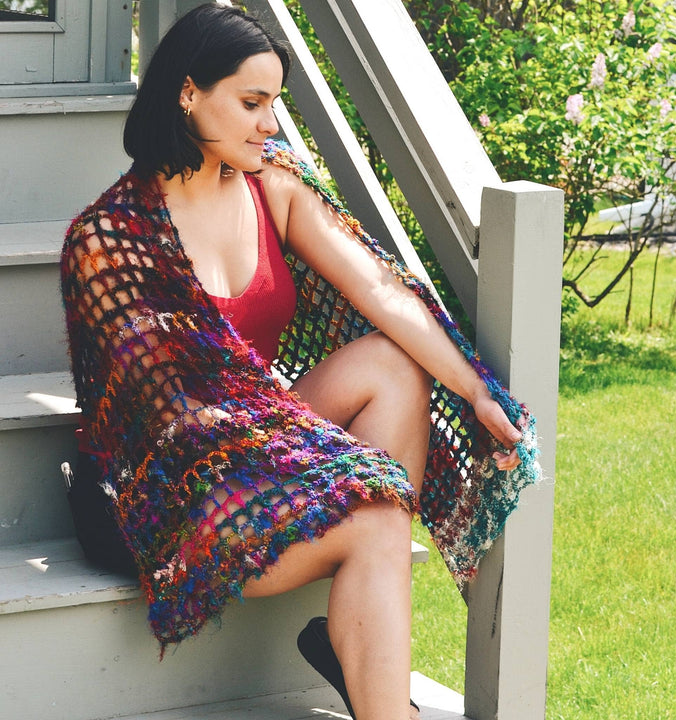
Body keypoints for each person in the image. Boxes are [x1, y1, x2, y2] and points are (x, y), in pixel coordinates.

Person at [60, 5, 539, 720]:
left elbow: (378, 288)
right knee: (377, 514)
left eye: (274, 104)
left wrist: (473, 390)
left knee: (393, 365)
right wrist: (313, 459)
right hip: (171, 487)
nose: (270, 125)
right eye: (252, 104)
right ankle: (383, 695)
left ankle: (361, 639)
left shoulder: (270, 184)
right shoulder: (108, 244)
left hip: (259, 437)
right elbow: (170, 429)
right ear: (188, 93)